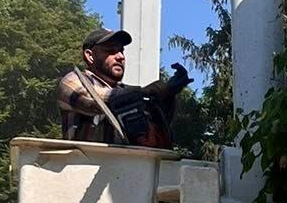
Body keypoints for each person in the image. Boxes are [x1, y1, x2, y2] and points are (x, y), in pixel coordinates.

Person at [58, 28, 192, 146]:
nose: (120, 57)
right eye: (111, 51)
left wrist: (168, 95)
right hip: (82, 170)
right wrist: (151, 92)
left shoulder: (126, 93)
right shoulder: (72, 81)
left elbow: (154, 134)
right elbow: (98, 100)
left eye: (121, 51)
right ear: (90, 56)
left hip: (124, 170)